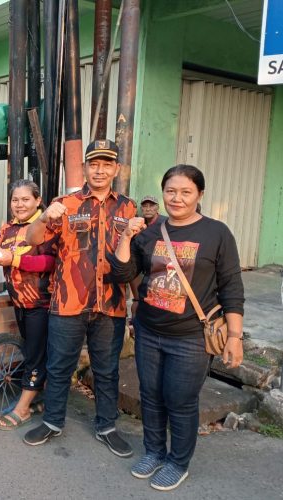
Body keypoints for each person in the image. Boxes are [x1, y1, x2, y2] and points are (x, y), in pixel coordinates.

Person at [111, 164, 244, 491]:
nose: (177, 198)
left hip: (191, 338)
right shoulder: (151, 233)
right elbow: (124, 273)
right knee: (150, 395)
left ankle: (177, 461)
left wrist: (235, 336)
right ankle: (155, 452)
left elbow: (231, 287)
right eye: (171, 191)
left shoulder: (216, 233)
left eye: (186, 192)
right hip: (149, 331)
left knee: (180, 400)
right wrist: (127, 236)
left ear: (200, 194)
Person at [23, 139, 136, 458]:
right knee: (59, 366)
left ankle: (107, 426)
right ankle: (53, 422)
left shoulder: (128, 207)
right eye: (93, 164)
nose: (99, 170)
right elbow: (32, 240)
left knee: (107, 370)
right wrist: (45, 216)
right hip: (68, 302)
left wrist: (136, 301)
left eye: (106, 164)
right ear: (85, 167)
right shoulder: (65, 204)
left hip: (111, 303)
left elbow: (132, 258)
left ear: (116, 168)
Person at [0, 180, 56, 430]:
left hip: (42, 301)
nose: (19, 204)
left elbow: (49, 262)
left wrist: (13, 259)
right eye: (15, 200)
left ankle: (23, 408)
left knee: (35, 355)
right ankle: (45, 399)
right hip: (18, 299)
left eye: (25, 199)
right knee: (34, 350)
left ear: (38, 201)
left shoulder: (48, 225)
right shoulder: (7, 227)